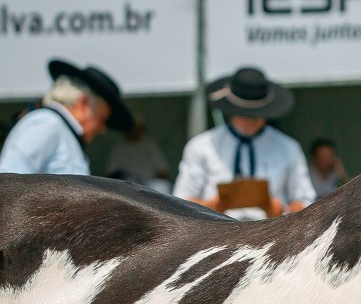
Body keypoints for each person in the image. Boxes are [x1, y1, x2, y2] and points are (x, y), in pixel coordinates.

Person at [174, 66, 314, 219]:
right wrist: (212, 206)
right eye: (244, 115)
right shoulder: (202, 146)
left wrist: (280, 210)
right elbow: (180, 201)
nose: (249, 120)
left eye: (255, 116)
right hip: (214, 233)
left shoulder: (288, 148)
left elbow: (305, 201)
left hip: (271, 233)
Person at [0, 59, 133, 175]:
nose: (102, 129)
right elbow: (9, 182)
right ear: (83, 103)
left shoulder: (61, 131)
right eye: (102, 119)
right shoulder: (47, 124)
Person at [105, 118, 171, 191]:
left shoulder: (150, 145)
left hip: (149, 188)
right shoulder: (119, 147)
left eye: (139, 128)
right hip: (128, 187)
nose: (136, 131)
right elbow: (111, 174)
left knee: (161, 185)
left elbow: (162, 171)